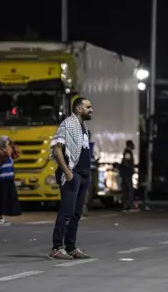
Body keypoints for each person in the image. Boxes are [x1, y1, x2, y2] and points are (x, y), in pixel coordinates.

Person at [49, 97, 93, 260]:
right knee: (66, 212)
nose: (91, 110)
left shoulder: (83, 127)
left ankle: (71, 246)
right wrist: (67, 171)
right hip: (73, 174)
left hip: (84, 175)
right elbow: (56, 148)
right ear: (79, 108)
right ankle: (57, 247)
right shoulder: (67, 124)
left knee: (76, 213)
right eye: (88, 107)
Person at [0, 136, 21, 225]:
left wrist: (12, 144)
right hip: (2, 179)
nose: (8, 145)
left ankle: (2, 217)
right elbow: (7, 154)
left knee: (7, 199)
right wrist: (8, 146)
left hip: (8, 179)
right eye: (7, 142)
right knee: (1, 199)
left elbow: (17, 153)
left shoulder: (8, 152)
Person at [119, 140, 136, 212]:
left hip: (125, 173)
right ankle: (129, 205)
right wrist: (132, 168)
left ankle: (126, 205)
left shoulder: (127, 152)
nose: (134, 145)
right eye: (132, 144)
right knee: (129, 189)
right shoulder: (128, 152)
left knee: (125, 189)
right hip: (127, 173)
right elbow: (126, 162)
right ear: (129, 145)